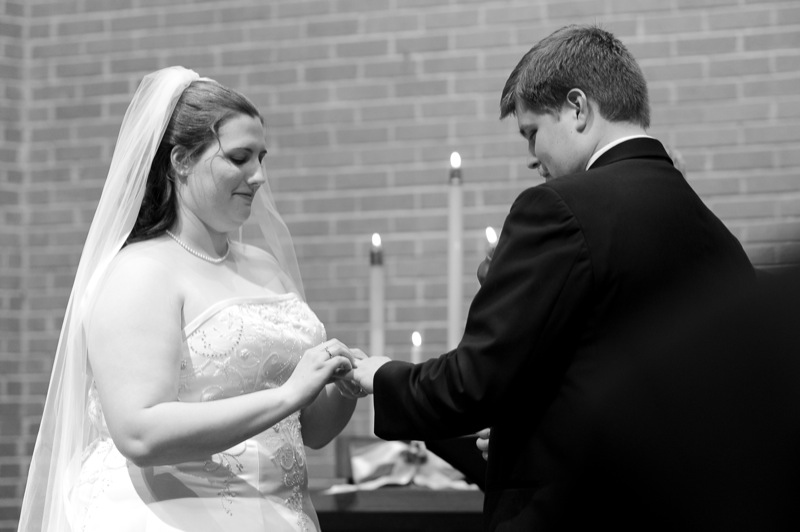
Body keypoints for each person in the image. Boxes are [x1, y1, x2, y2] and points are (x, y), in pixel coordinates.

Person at [351, 25, 755, 531]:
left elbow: (475, 382)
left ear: (578, 108)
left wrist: (382, 377)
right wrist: (535, 434)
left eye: (532, 132)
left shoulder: (560, 208)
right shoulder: (715, 235)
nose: (531, 157)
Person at [18, 66, 366, 532]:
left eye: (261, 157)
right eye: (239, 158)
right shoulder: (140, 271)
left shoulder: (265, 266)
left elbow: (310, 431)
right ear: (181, 161)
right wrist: (287, 395)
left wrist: (340, 386)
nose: (258, 176)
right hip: (172, 514)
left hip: (279, 514)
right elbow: (140, 432)